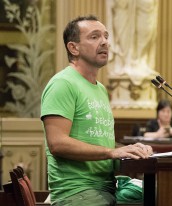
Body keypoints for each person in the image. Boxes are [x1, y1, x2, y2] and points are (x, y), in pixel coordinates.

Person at [40, 15, 153, 206]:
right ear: (73, 47)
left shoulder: (100, 88)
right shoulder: (62, 84)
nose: (104, 42)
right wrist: (112, 152)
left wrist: (132, 152)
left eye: (106, 36)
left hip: (108, 187)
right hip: (78, 192)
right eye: (94, 37)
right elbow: (57, 143)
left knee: (165, 195)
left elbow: (98, 143)